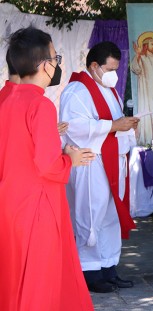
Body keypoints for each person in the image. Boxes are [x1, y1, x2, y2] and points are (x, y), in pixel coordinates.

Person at [0, 26, 95, 311]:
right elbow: (48, 166)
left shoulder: (5, 98)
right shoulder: (40, 105)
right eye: (56, 57)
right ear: (44, 65)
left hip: (9, 204)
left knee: (12, 277)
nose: (57, 63)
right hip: (37, 206)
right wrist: (71, 159)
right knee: (42, 280)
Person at [60, 41, 139, 293]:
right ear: (94, 66)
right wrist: (114, 126)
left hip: (112, 162)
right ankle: (89, 271)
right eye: (110, 68)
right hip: (90, 162)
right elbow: (74, 127)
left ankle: (108, 267)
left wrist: (127, 126)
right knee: (89, 216)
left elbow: (115, 125)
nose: (114, 74)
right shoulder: (76, 90)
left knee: (108, 217)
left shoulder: (111, 91)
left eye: (117, 68)